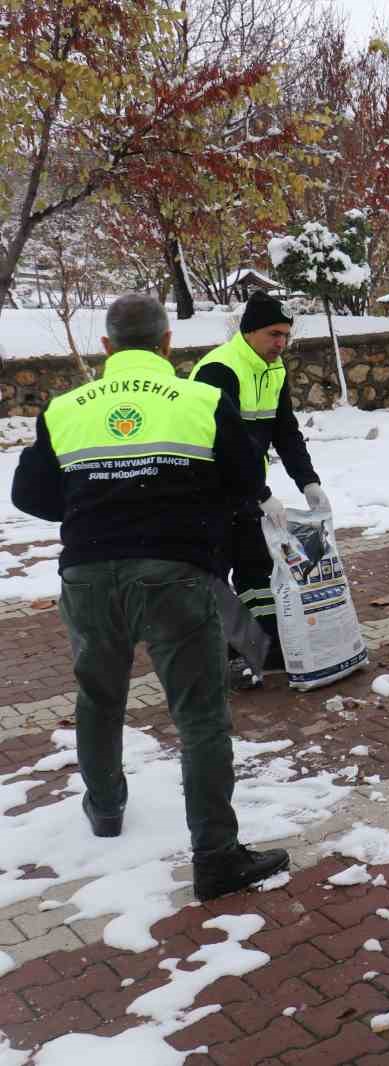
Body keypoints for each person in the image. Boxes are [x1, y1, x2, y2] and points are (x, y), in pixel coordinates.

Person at [10, 294, 291, 900]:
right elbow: (247, 482)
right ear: (167, 344)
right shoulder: (202, 400)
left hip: (87, 576)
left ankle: (105, 809)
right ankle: (216, 855)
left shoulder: (64, 407)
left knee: (99, 696)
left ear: (106, 348)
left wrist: (94, 507)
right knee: (200, 716)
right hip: (175, 573)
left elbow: (29, 495)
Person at [190, 291, 328, 689]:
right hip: (208, 492)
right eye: (273, 334)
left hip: (247, 492)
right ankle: (214, 658)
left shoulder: (275, 370)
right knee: (213, 577)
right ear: (249, 332)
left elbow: (285, 431)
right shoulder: (220, 370)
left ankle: (262, 650)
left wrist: (309, 481)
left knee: (257, 572)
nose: (280, 343)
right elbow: (224, 445)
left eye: (286, 334)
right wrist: (262, 492)